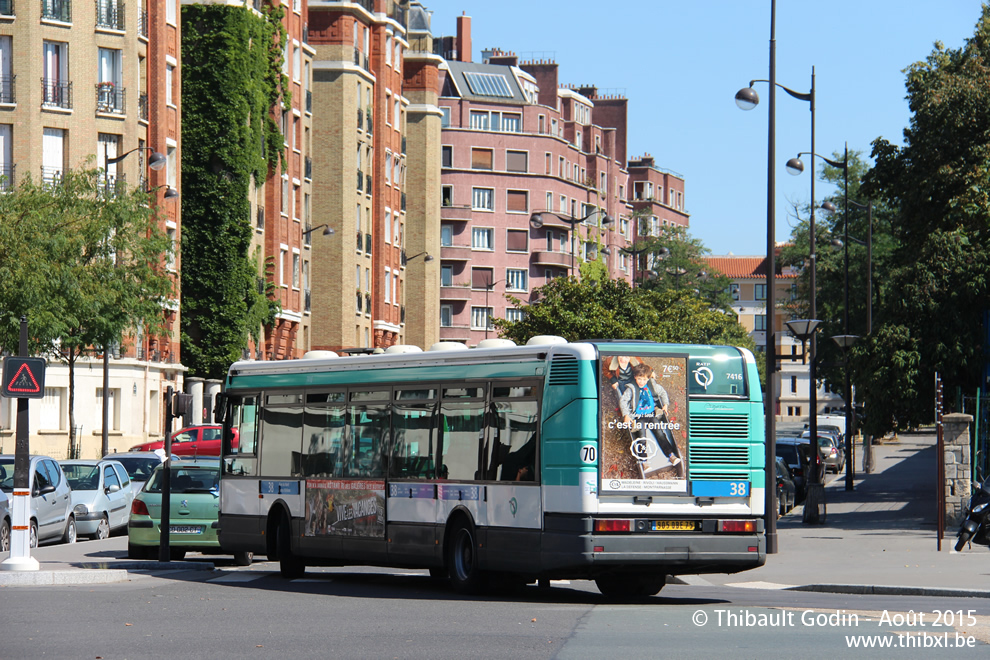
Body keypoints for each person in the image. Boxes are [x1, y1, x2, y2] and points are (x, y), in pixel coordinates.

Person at [619, 363, 682, 471]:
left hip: (651, 414)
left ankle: (671, 455)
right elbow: (623, 400)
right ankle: (644, 461)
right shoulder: (632, 388)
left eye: (644, 379)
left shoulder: (652, 385)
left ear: (648, 378)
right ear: (635, 377)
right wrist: (626, 415)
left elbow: (662, 392)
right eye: (639, 379)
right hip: (639, 416)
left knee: (660, 433)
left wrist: (665, 405)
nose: (641, 382)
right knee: (641, 437)